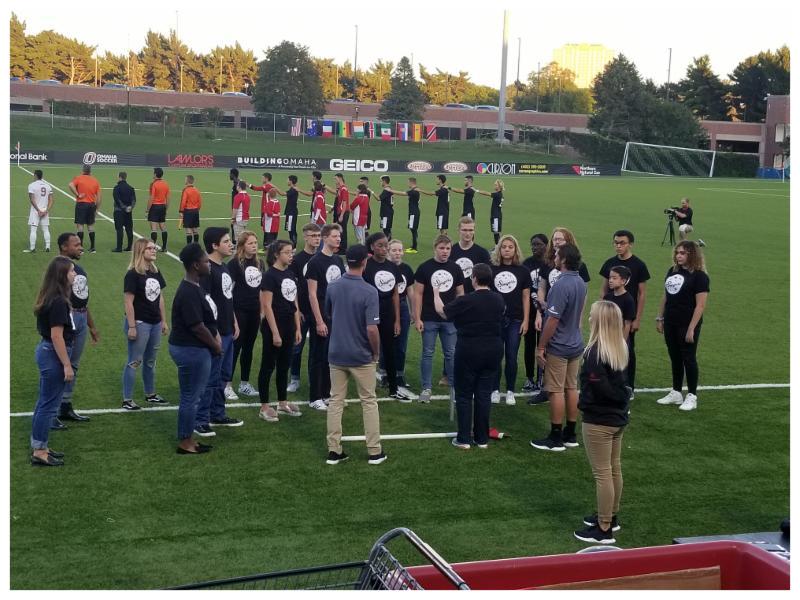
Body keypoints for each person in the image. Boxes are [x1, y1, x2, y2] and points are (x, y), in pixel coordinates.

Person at [573, 300, 630, 545]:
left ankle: (604, 527)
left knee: (603, 473)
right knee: (614, 468)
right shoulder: (619, 346)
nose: (589, 318)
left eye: (592, 315)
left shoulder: (595, 353)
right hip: (617, 417)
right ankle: (611, 516)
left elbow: (601, 389)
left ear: (601, 321)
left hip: (600, 420)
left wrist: (585, 401)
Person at [324, 244, 386, 466]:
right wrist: (375, 352)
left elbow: (329, 314)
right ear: (365, 262)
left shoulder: (333, 287)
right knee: (369, 402)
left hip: (337, 352)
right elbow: (372, 329)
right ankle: (374, 451)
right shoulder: (369, 291)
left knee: (335, 401)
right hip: (361, 355)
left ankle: (334, 450)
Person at [433, 263, 505, 450]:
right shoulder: (498, 299)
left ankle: (464, 438)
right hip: (493, 349)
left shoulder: (466, 300)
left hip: (469, 349)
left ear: (474, 279)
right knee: (484, 394)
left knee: (464, 394)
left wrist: (436, 293)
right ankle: (482, 438)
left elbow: (442, 312)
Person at [530, 244, 587, 452]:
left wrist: (540, 347)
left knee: (555, 391)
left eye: (556, 255)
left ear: (563, 260)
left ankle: (555, 438)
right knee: (571, 388)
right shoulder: (580, 282)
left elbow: (553, 321)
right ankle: (570, 434)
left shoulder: (561, 284)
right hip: (575, 343)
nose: (553, 257)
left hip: (559, 345)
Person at [169, 243, 222, 455]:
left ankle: (188, 437)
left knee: (191, 396)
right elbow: (197, 327)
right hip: (191, 350)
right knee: (191, 398)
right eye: (206, 261)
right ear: (195, 265)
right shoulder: (189, 292)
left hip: (192, 349)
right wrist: (215, 346)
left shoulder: (194, 286)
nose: (209, 264)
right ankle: (185, 442)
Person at [194, 227, 244, 437]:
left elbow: (227, 298)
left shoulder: (224, 267)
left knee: (223, 375)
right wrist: (212, 332)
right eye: (226, 241)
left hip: (228, 329)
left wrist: (234, 321)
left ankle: (217, 413)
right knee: (210, 377)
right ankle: (200, 420)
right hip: (215, 332)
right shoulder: (207, 270)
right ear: (214, 245)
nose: (231, 244)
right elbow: (204, 303)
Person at [30, 257, 76, 466]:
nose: (75, 274)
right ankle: (40, 451)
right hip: (53, 354)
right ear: (62, 276)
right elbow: (57, 336)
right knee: (48, 406)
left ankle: (41, 446)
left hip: (47, 351)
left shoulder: (50, 297)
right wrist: (66, 364)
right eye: (72, 271)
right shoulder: (58, 301)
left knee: (44, 403)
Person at [655, 241, 709, 411]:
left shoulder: (700, 276)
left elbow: (700, 305)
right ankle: (676, 392)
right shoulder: (672, 271)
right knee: (675, 356)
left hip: (687, 323)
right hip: (671, 321)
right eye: (677, 252)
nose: (678, 256)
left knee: (689, 358)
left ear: (692, 255)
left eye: (683, 253)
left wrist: (691, 328)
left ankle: (692, 396)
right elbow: (665, 296)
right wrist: (660, 318)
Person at [599, 230, 650, 398]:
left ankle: (628, 386)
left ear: (630, 244)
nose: (618, 246)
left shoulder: (639, 265)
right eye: (616, 242)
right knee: (607, 349)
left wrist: (637, 319)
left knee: (627, 351)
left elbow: (642, 294)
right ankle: (609, 383)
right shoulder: (609, 263)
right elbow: (603, 290)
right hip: (609, 317)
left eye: (622, 243)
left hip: (627, 317)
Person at [414, 235, 465, 403]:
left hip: (449, 320)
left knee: (451, 353)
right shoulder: (424, 267)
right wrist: (417, 317)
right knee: (428, 353)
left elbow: (460, 293)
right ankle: (426, 388)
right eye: (442, 248)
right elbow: (418, 294)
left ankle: (454, 387)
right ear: (435, 248)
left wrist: (457, 314)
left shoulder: (455, 268)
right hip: (429, 318)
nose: (445, 251)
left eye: (448, 248)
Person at [54, 232, 98, 427]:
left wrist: (92, 326)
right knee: (60, 365)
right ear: (64, 247)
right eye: (76, 244)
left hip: (80, 317)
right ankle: (52, 410)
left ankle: (65, 406)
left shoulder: (78, 269)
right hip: (67, 318)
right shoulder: (57, 269)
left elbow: (82, 299)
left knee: (74, 364)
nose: (81, 247)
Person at [257, 240, 303, 421]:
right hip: (274, 326)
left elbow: (294, 302)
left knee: (284, 366)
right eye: (287, 252)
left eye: (292, 252)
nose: (291, 256)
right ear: (276, 254)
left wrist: (297, 327)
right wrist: (275, 332)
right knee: (268, 366)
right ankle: (264, 406)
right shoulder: (269, 276)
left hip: (289, 325)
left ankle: (282, 402)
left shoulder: (290, 273)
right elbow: (267, 306)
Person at [122, 238, 168, 410]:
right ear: (141, 251)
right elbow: (128, 302)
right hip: (140, 323)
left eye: (154, 248)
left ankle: (150, 394)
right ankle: (127, 399)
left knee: (150, 361)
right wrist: (132, 326)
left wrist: (163, 320)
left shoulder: (155, 271)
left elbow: (160, 297)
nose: (154, 250)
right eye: (150, 248)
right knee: (134, 361)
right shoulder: (133, 274)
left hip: (155, 323)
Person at [363, 232, 411, 401]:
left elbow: (395, 294)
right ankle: (367, 388)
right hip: (369, 314)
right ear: (372, 247)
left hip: (388, 314)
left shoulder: (392, 267)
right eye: (380, 245)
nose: (384, 249)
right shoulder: (366, 266)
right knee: (367, 351)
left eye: (386, 246)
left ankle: (393, 388)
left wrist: (397, 319)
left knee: (390, 350)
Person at [305, 224, 345, 410]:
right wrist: (319, 321)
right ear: (325, 238)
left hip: (336, 315)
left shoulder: (337, 260)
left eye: (339, 236)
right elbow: (312, 294)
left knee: (331, 356)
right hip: (321, 315)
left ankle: (326, 393)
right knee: (318, 356)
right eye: (335, 236)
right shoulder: (315, 262)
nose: (338, 239)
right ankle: (314, 397)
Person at [489, 234, 531, 406]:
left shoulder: (523, 271)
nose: (507, 250)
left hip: (515, 320)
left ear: (515, 250)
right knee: (495, 356)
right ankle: (495, 390)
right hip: (495, 320)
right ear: (499, 249)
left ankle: (510, 391)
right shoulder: (491, 269)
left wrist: (526, 320)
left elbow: (526, 297)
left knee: (512, 356)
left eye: (510, 247)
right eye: (504, 247)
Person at [228, 231, 264, 398]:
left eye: (255, 242)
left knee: (248, 348)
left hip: (254, 311)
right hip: (239, 311)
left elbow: (261, 289)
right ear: (242, 246)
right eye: (250, 243)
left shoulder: (259, 263)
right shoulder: (234, 264)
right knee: (235, 348)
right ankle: (227, 384)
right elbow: (228, 291)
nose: (254, 246)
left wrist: (262, 311)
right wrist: (233, 317)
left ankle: (244, 383)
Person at [287, 223, 322, 394]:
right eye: (313, 236)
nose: (316, 239)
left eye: (318, 236)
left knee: (317, 348)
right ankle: (294, 378)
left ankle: (313, 377)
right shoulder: (297, 260)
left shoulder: (323, 258)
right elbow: (291, 288)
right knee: (296, 347)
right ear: (305, 237)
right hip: (301, 311)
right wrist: (297, 310)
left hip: (319, 312)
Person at [384, 239, 417, 398]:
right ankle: (384, 373)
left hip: (402, 305)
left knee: (401, 343)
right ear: (388, 251)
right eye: (394, 250)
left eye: (400, 250)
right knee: (386, 341)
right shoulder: (384, 267)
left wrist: (413, 311)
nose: (397, 253)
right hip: (386, 305)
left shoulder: (407, 269)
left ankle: (399, 374)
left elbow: (410, 291)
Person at [522, 233, 548, 394]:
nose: (534, 247)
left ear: (546, 246)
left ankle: (541, 377)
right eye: (533, 244)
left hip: (546, 312)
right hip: (530, 311)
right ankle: (530, 377)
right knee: (529, 345)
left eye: (538, 244)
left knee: (543, 346)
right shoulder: (526, 264)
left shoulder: (549, 264)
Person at [450, 217, 491, 294]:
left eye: (470, 230)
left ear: (474, 231)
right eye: (464, 230)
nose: (468, 233)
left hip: (476, 297)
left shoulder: (482, 253)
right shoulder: (450, 252)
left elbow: (488, 279)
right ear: (458, 231)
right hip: (454, 297)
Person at [68, 164, 101, 253]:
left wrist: (77, 194)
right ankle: (93, 248)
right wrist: (97, 209)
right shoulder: (95, 181)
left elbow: (70, 185)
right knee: (90, 226)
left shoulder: (78, 178)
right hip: (91, 205)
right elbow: (99, 197)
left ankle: (80, 248)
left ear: (83, 170)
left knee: (80, 226)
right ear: (90, 171)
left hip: (81, 204)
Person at [249, 172, 284, 250]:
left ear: (266, 178)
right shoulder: (270, 186)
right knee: (268, 227)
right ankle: (269, 244)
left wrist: (248, 184)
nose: (261, 179)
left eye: (262, 177)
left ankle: (267, 245)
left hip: (267, 209)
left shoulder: (267, 186)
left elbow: (256, 188)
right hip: (268, 209)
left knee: (267, 227)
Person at [603, 266, 636, 341]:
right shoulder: (607, 297)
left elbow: (627, 324)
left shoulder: (628, 300)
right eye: (610, 278)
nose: (610, 280)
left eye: (614, 278)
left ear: (623, 281)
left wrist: (623, 342)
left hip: (618, 338)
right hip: (606, 337)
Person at [25, 169, 53, 253]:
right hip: (45, 210)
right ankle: (48, 247)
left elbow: (32, 199)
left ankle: (32, 248)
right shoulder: (48, 186)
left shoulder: (31, 185)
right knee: (46, 229)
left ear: (35, 175)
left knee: (33, 229)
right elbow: (51, 200)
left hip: (35, 211)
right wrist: (46, 210)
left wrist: (38, 210)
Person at [146, 167, 170, 252]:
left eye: (153, 173)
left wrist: (147, 209)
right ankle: (164, 247)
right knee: (163, 226)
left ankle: (153, 247)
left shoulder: (154, 184)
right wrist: (166, 208)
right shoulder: (166, 184)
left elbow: (151, 197)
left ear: (155, 174)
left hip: (155, 207)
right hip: (162, 206)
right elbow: (168, 198)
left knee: (154, 228)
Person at [111, 172, 135, 252]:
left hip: (119, 211)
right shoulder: (130, 188)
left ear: (120, 177)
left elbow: (117, 200)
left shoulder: (116, 188)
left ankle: (119, 247)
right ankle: (130, 247)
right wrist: (130, 207)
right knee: (129, 229)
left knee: (119, 229)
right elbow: (133, 200)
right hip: (128, 212)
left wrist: (124, 207)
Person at [475, 179, 504, 246]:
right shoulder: (500, 194)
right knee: (496, 232)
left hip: (496, 216)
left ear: (499, 186)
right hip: (496, 215)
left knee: (496, 232)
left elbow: (487, 193)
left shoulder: (497, 194)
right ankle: (498, 246)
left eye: (496, 185)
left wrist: (478, 191)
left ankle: (497, 247)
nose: (494, 186)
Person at [179, 174, 202, 246]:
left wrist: (181, 211)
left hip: (188, 211)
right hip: (195, 211)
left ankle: (189, 247)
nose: (184, 181)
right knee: (195, 229)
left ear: (187, 181)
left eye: (185, 179)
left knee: (188, 230)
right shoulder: (197, 190)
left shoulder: (186, 190)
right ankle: (196, 245)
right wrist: (197, 209)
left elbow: (183, 201)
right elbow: (200, 202)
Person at [332, 173, 350, 252]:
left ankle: (343, 249)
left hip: (344, 212)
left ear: (340, 178)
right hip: (341, 211)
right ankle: (340, 247)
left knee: (342, 230)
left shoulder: (343, 189)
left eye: (336, 179)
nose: (335, 181)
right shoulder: (341, 188)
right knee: (340, 230)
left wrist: (342, 215)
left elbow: (344, 203)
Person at [405, 177, 421, 253]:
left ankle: (414, 248)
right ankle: (413, 246)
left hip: (414, 213)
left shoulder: (414, 191)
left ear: (411, 182)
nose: (407, 184)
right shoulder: (415, 190)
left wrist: (390, 191)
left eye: (408, 182)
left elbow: (402, 193)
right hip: (413, 212)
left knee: (413, 229)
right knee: (413, 229)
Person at [284, 175, 300, 247]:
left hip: (291, 212)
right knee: (289, 228)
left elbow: (283, 194)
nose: (287, 181)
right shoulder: (292, 189)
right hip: (290, 212)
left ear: (291, 181)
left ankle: (293, 245)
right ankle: (292, 243)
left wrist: (274, 188)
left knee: (291, 229)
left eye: (287, 180)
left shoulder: (293, 190)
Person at [229, 168, 240, 242]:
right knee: (234, 224)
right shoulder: (236, 182)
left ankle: (235, 241)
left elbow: (240, 195)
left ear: (233, 174)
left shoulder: (237, 183)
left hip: (237, 208)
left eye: (230, 174)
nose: (229, 175)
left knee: (234, 224)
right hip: (235, 208)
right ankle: (235, 240)